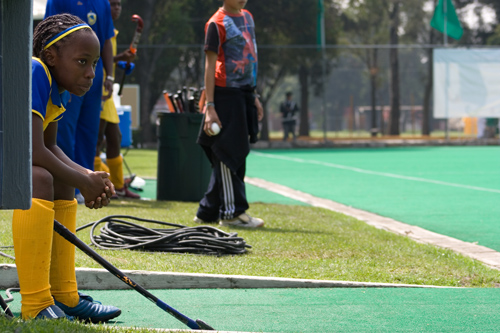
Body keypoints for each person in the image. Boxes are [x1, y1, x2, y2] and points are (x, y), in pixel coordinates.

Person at [13, 13, 121, 322]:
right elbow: (32, 151)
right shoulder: (36, 71)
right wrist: (84, 181)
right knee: (39, 177)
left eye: (95, 64)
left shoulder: (58, 90)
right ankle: (35, 305)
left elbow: (50, 147)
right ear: (51, 56)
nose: (90, 73)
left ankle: (64, 295)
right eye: (82, 62)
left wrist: (87, 176)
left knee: (62, 181)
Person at [193, 0, 264, 228]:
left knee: (238, 151)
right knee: (226, 152)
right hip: (224, 95)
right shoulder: (216, 23)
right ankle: (233, 214)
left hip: (243, 94)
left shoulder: (248, 17)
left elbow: (250, 57)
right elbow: (209, 66)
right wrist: (210, 106)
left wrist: (253, 95)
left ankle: (208, 211)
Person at [45, 0, 115, 204]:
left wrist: (109, 75)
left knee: (89, 131)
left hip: (90, 76)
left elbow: (107, 40)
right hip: (70, 73)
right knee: (65, 130)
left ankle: (86, 183)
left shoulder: (102, 2)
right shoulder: (58, 1)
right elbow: (49, 34)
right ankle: (72, 183)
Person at [93, 0, 140, 199]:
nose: (117, 8)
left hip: (108, 89)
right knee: (97, 139)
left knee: (115, 137)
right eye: (113, 4)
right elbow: (96, 56)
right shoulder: (97, 26)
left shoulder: (112, 29)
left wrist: (120, 63)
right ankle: (99, 182)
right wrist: (119, 58)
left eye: (119, 4)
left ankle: (118, 186)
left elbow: (108, 57)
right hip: (98, 88)